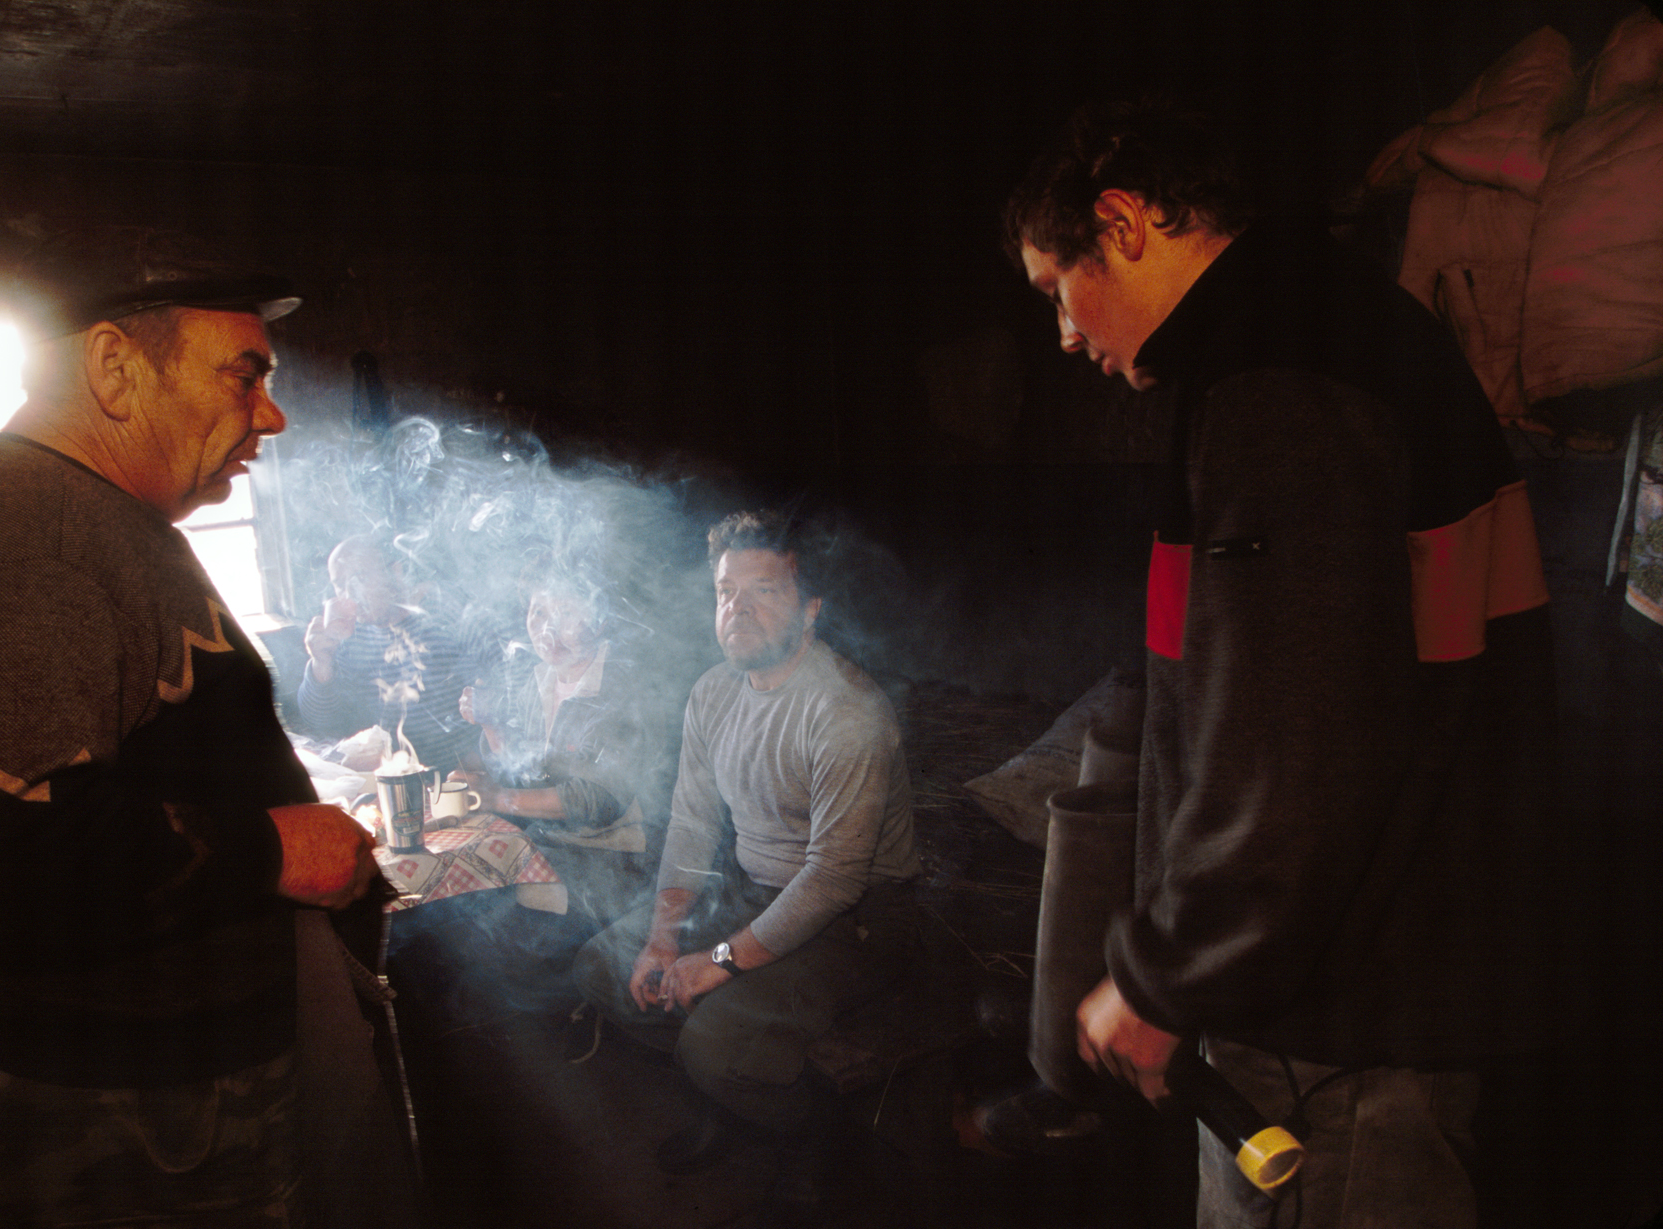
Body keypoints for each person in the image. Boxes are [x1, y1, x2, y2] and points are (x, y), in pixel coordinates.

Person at [1002, 99, 1559, 1227]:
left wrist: (1166, 975)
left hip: (1342, 1032)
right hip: (1370, 987)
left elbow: (1293, 741)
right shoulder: (1331, 329)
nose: (1064, 334)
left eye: (1055, 290)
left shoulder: (1281, 385)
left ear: (1121, 223)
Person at [0, 227, 383, 1227]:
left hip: (163, 1101)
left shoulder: (76, 516)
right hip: (138, 1124)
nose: (274, 413)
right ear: (113, 368)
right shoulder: (4, 528)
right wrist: (276, 847)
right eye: (244, 374)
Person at [572, 510, 922, 1227]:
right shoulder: (713, 694)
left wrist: (721, 959)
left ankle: (818, 1136)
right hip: (755, 887)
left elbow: (833, 879)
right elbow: (695, 825)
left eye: (764, 591)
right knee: (608, 968)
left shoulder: (847, 711)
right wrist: (667, 938)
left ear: (811, 610)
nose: (738, 607)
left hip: (861, 917)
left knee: (717, 1042)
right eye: (726, 591)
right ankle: (728, 1100)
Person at [451, 572, 666, 926]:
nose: (547, 629)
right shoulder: (540, 681)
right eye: (538, 613)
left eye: (565, 613)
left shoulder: (623, 686)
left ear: (599, 622)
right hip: (551, 845)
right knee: (463, 912)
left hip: (614, 860)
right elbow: (523, 776)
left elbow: (597, 800)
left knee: (487, 924)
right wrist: (490, 725)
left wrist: (497, 798)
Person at [299, 532, 471, 774]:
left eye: (360, 578)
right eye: (340, 585)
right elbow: (321, 724)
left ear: (396, 572)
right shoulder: (350, 638)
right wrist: (320, 665)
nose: (350, 593)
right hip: (386, 779)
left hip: (456, 779)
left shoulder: (446, 616)